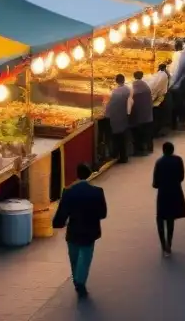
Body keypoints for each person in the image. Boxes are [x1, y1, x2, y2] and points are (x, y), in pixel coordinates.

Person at [52, 163, 108, 299]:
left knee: (74, 257)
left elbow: (62, 213)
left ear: (77, 175)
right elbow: (103, 213)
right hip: (90, 230)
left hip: (74, 230)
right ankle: (80, 281)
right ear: (89, 174)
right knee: (86, 257)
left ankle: (76, 280)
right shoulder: (97, 191)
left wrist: (58, 223)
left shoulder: (68, 192)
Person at [152, 142, 185, 257]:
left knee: (160, 218)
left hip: (163, 193)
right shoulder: (178, 160)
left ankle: (163, 245)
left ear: (163, 150)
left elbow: (155, 183)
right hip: (175, 191)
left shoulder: (159, 162)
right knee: (171, 219)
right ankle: (169, 244)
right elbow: (181, 177)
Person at [104, 74, 131, 163]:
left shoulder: (115, 92)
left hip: (116, 118)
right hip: (124, 117)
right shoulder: (127, 89)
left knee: (116, 139)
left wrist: (106, 114)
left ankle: (116, 155)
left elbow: (110, 106)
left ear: (116, 81)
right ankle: (124, 157)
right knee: (123, 138)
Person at [129, 70, 154, 155]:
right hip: (148, 115)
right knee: (148, 132)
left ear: (134, 76)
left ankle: (139, 150)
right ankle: (149, 147)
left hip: (138, 116)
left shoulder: (133, 86)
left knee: (137, 132)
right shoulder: (146, 86)